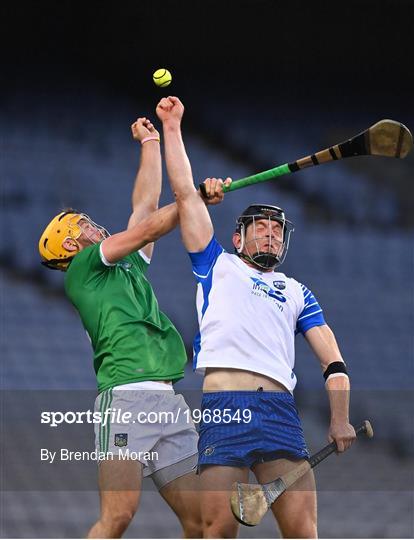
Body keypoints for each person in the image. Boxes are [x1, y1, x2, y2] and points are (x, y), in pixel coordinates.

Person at [156, 96, 357, 539]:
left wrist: (339, 417)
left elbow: (334, 362)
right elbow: (184, 196)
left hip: (279, 412)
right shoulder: (216, 264)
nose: (270, 233)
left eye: (277, 229)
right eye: (260, 227)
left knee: (304, 532)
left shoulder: (297, 291)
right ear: (237, 236)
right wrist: (173, 127)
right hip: (225, 411)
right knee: (217, 528)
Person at [38, 116, 225, 539]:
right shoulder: (84, 269)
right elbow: (144, 228)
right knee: (118, 516)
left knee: (202, 521)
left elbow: (144, 208)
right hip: (126, 398)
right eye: (82, 225)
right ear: (71, 244)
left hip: (168, 401)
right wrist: (192, 200)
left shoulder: (127, 268)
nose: (93, 225)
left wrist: (150, 141)